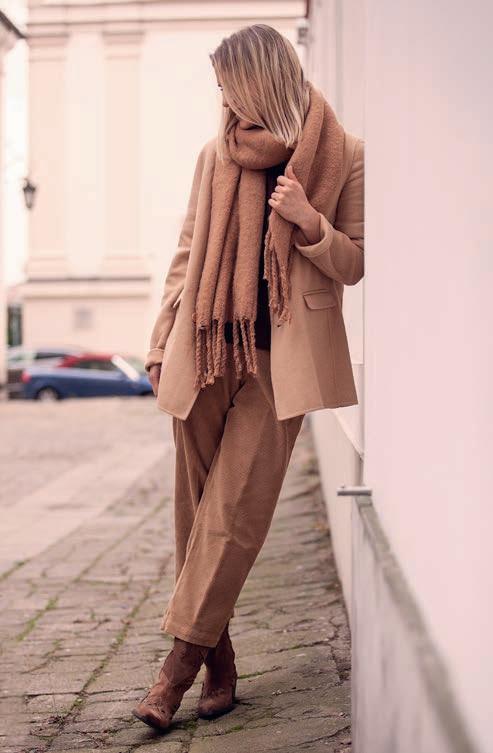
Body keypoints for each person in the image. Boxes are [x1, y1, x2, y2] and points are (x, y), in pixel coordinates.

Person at [133, 23, 364, 731]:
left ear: (259, 81)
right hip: (204, 349)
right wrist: (159, 341)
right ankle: (220, 661)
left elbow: (354, 262)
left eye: (230, 87)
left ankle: (174, 674)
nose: (224, 102)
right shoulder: (216, 155)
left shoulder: (342, 154)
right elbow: (186, 251)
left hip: (278, 365)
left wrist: (308, 222)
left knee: (233, 513)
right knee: (198, 512)